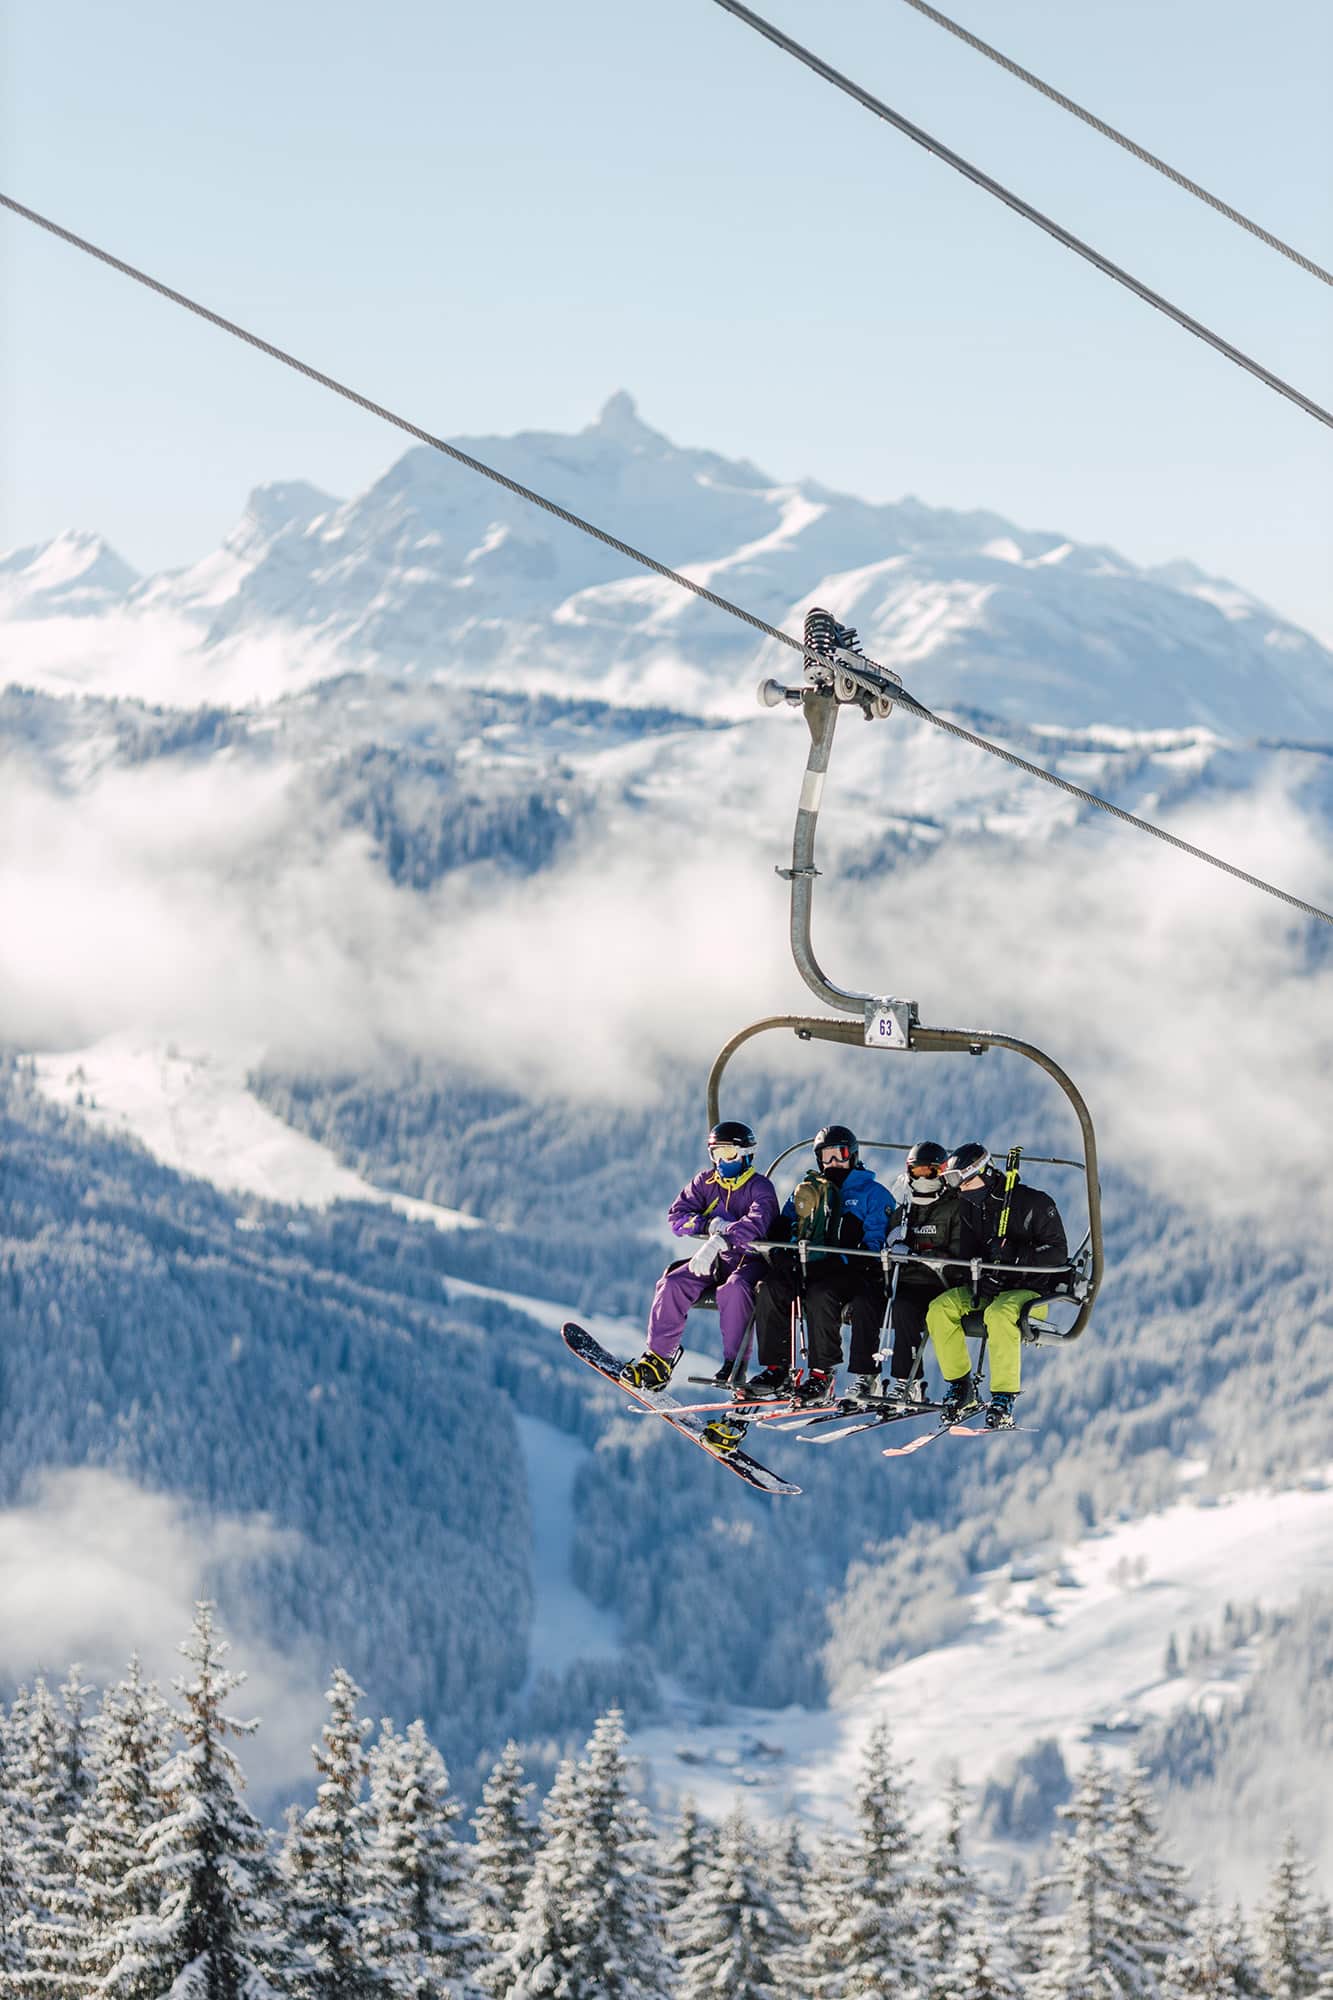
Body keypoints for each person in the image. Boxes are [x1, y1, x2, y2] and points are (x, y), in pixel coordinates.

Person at [621, 1120, 779, 1393]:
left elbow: (757, 1223)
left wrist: (723, 1237)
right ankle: (658, 1360)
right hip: (716, 1260)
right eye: (715, 1153)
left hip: (751, 1260)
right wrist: (707, 1225)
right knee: (673, 1282)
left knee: (735, 1290)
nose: (721, 1161)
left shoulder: (759, 1187)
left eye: (728, 1154)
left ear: (745, 1154)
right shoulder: (705, 1183)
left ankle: (734, 1363)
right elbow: (676, 1217)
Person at [748, 1124, 895, 1407]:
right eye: (826, 1156)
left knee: (820, 1294)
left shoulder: (871, 1193)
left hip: (850, 1271)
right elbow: (786, 1222)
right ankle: (777, 1370)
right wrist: (781, 1250)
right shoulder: (807, 1190)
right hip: (808, 1265)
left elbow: (876, 1238)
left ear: (852, 1155)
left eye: (839, 1155)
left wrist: (854, 1257)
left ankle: (821, 1374)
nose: (833, 1163)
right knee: (770, 1286)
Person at [925, 1141, 1069, 1428]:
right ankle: (962, 1386)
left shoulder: (1033, 1204)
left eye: (965, 1182)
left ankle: (1004, 1396)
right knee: (939, 1310)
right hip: (990, 1288)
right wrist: (978, 1279)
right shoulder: (969, 1209)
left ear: (985, 1173)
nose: (961, 1190)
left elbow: (1057, 1254)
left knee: (998, 1314)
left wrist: (1016, 1255)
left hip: (1031, 1293)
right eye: (957, 1185)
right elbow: (967, 1256)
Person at [881, 1139, 959, 1406]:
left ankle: (908, 1381)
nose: (923, 1178)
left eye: (930, 1171)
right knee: (887, 1304)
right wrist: (894, 1244)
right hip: (907, 1280)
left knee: (908, 1309)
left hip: (939, 1283)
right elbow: (889, 1235)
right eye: (918, 1172)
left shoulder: (954, 1206)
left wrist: (923, 1255)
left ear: (942, 1172)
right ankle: (881, 1377)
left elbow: (960, 1250)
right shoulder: (904, 1205)